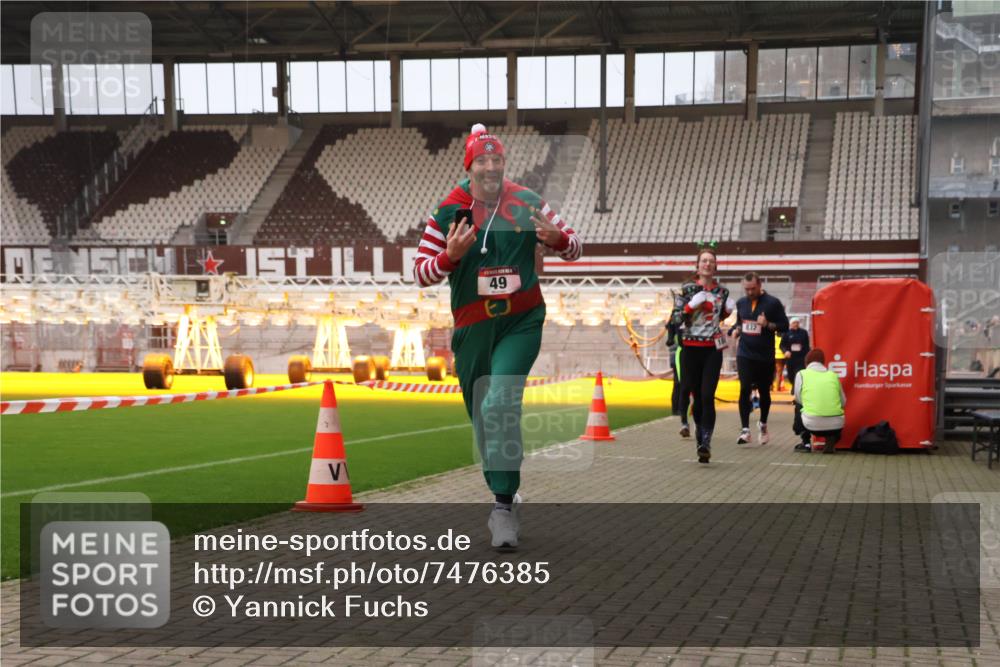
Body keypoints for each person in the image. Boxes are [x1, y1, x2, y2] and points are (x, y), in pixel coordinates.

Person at [413, 123, 583, 548]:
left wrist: (559, 239)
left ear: (505, 163)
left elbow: (576, 244)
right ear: (469, 165)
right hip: (472, 327)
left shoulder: (526, 201)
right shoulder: (448, 210)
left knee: (499, 401)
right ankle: (503, 488)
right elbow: (419, 272)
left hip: (520, 322)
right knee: (483, 418)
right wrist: (449, 258)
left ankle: (502, 507)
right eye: (482, 160)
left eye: (497, 159)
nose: (490, 167)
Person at [670, 247, 736, 463]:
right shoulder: (688, 289)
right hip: (690, 349)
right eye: (704, 261)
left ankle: (706, 441)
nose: (707, 264)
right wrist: (690, 305)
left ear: (715, 266)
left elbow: (718, 318)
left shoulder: (722, 292)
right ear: (698, 266)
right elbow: (676, 319)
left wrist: (727, 312)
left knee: (708, 396)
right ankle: (699, 434)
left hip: (712, 349)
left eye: (711, 261)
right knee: (696, 396)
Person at [729, 272, 789, 445]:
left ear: (760, 285)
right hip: (745, 353)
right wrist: (736, 330)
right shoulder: (741, 303)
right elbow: (740, 322)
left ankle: (763, 423)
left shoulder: (773, 303)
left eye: (753, 289)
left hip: (765, 356)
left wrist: (768, 324)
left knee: (764, 392)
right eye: (746, 289)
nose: (749, 292)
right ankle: (745, 430)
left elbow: (784, 326)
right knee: (744, 388)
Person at [793, 348, 847, 454]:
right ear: (823, 362)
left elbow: (798, 398)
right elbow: (843, 402)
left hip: (811, 424)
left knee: (798, 405)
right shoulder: (833, 375)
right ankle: (831, 438)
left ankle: (806, 443)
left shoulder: (801, 374)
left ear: (807, 362)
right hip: (836, 426)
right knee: (835, 409)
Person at [781, 317, 811, 442]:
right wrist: (785, 351)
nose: (795, 324)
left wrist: (807, 356)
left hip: (800, 358)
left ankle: (797, 392)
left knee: (799, 374)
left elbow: (807, 344)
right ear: (790, 324)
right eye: (794, 323)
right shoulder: (787, 334)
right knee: (791, 376)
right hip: (791, 359)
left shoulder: (803, 333)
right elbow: (782, 344)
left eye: (797, 323)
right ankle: (794, 387)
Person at [666, 317, 693, 437]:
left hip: (701, 352)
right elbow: (670, 327)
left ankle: (701, 424)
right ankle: (684, 422)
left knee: (700, 390)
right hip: (681, 353)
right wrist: (670, 337)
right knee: (682, 386)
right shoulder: (678, 311)